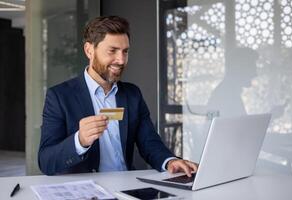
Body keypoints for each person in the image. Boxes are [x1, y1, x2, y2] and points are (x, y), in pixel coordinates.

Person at [38, 16, 198, 176]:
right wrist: (79, 141)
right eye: (112, 51)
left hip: (126, 188)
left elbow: (149, 141)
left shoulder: (132, 94)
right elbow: (46, 161)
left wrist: (170, 161)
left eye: (125, 51)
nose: (121, 60)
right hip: (86, 191)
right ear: (89, 50)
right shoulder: (59, 97)